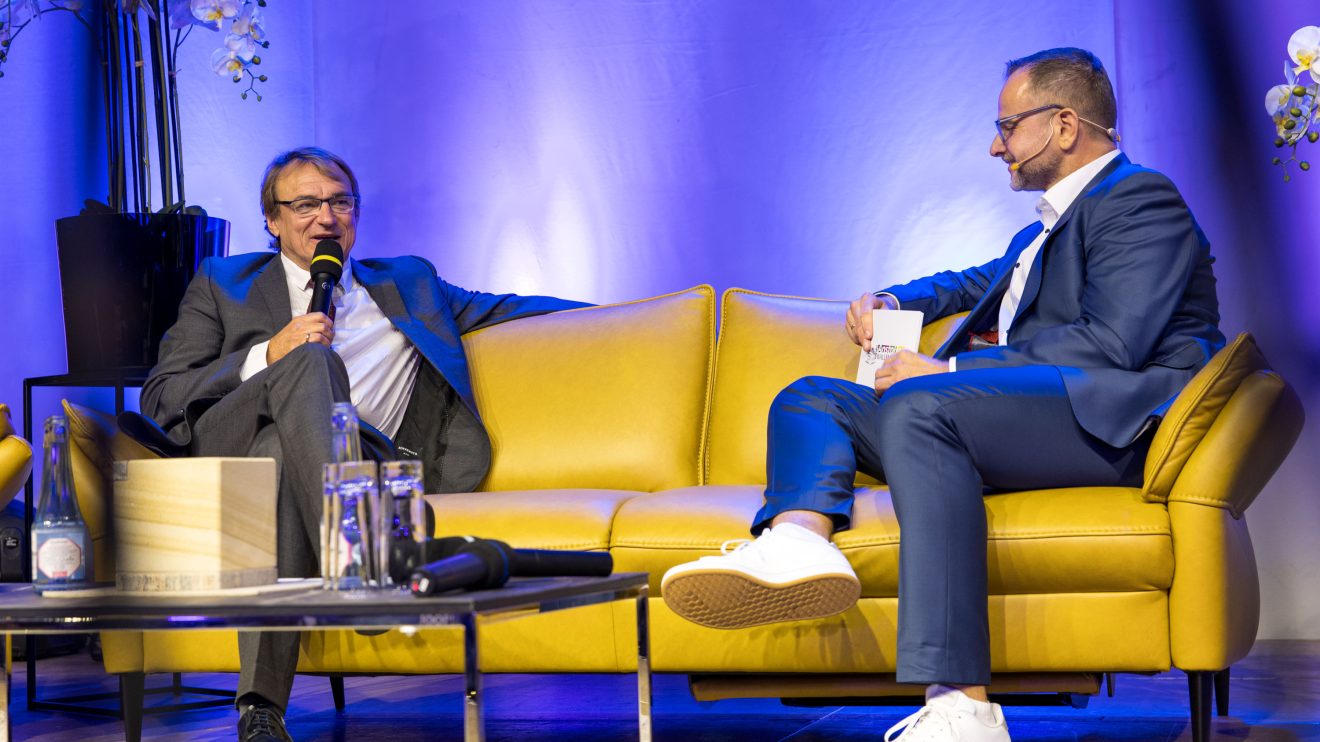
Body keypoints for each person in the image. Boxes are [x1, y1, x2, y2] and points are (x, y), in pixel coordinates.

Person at [660, 48, 1224, 742]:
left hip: (1103, 424)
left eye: (1007, 126)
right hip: (1013, 417)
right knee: (812, 397)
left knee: (921, 405)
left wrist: (948, 372)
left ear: (1065, 125)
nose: (996, 146)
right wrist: (893, 299)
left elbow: (1110, 345)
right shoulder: (1041, 230)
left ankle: (963, 707)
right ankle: (800, 540)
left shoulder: (1140, 199)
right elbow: (970, 283)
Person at [138, 146, 589, 742]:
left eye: (340, 202)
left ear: (356, 213)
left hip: (367, 459)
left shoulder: (409, 283)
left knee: (281, 451)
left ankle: (261, 709)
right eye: (305, 204)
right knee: (306, 366)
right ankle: (363, 565)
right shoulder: (223, 283)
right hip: (233, 445)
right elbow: (161, 397)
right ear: (272, 220)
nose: (326, 217)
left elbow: (508, 308)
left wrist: (638, 312)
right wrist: (267, 354)